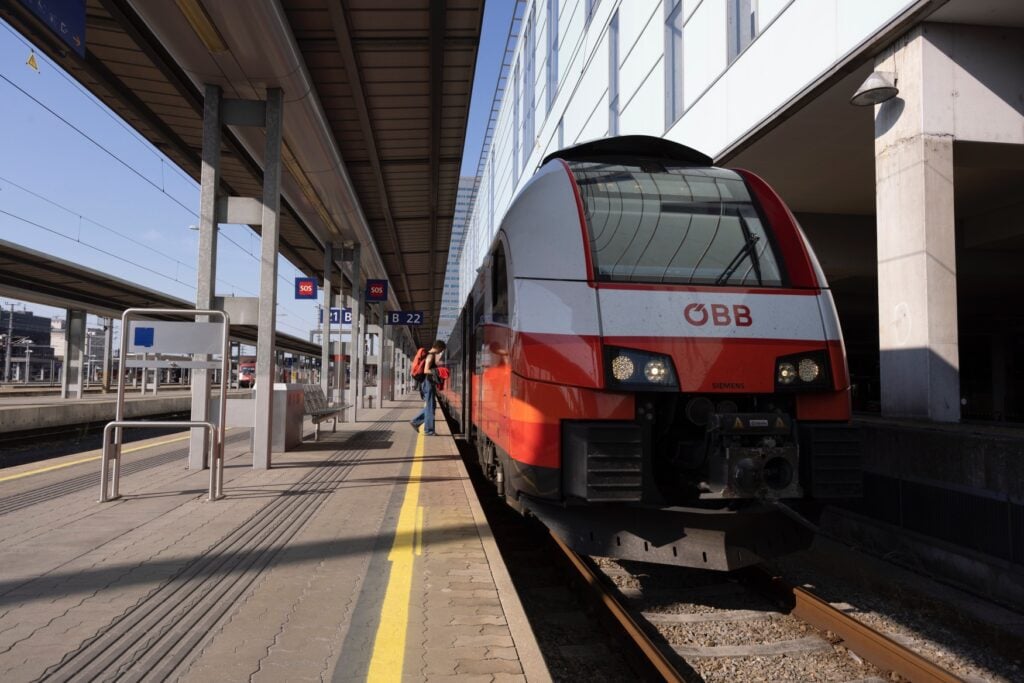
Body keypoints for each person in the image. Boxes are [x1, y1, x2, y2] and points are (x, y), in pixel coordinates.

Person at [410, 339, 446, 436]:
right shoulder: (430, 356)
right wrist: (438, 372)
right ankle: (428, 430)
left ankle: (416, 421)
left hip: (427, 382)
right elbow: (426, 370)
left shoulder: (429, 355)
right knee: (430, 406)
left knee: (432, 406)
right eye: (441, 349)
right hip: (428, 383)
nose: (440, 352)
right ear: (438, 347)